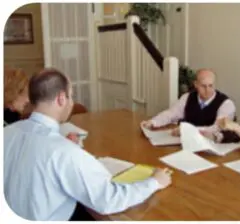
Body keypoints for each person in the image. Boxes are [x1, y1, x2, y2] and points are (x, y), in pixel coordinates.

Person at [4, 68, 172, 221]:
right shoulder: (65, 152)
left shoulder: (7, 132)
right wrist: (155, 181)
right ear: (61, 98)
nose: (71, 102)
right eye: (71, 96)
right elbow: (108, 200)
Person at [142, 68, 236, 136]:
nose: (207, 90)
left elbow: (216, 129)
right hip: (185, 143)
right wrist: (153, 122)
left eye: (210, 86)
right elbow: (171, 114)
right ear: (196, 84)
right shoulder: (187, 97)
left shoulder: (226, 104)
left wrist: (187, 130)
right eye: (203, 86)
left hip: (211, 147)